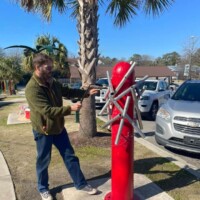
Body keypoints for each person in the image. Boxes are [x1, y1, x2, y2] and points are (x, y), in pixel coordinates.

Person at [25, 53, 99, 200]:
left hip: (58, 128)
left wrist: (86, 93)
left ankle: (81, 183)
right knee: (43, 160)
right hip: (44, 130)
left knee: (70, 156)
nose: (51, 70)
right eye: (48, 67)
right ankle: (43, 188)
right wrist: (69, 109)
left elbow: (68, 92)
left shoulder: (52, 81)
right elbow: (47, 111)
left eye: (52, 67)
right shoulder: (32, 88)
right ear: (37, 67)